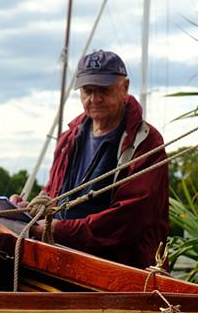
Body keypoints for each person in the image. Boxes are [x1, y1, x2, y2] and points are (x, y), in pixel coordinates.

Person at [11, 50, 169, 268]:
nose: (94, 99)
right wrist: (28, 210)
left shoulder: (146, 142)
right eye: (87, 91)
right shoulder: (69, 138)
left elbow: (131, 219)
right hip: (62, 260)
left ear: (125, 88)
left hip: (120, 272)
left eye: (103, 90)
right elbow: (53, 196)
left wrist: (59, 230)